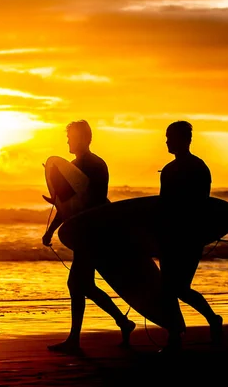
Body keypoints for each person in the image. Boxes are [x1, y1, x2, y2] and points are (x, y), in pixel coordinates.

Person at [42, 119, 135, 354]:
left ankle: (76, 340)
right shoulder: (72, 166)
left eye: (71, 137)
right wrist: (52, 224)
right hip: (84, 233)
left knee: (77, 283)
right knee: (84, 285)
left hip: (96, 232)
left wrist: (64, 198)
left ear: (83, 138)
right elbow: (68, 207)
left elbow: (93, 202)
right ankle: (123, 323)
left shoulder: (95, 165)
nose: (68, 141)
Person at [158, 120, 223, 353]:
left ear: (183, 140)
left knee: (179, 287)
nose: (166, 141)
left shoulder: (197, 168)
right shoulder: (169, 169)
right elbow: (162, 208)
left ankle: (212, 319)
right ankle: (175, 336)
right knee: (168, 288)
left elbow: (200, 205)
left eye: (170, 137)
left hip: (189, 237)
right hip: (171, 237)